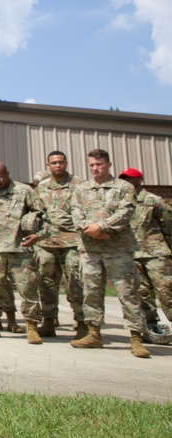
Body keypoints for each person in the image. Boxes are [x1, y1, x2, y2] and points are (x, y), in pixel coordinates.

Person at [68, 151, 150, 358]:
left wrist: (102, 227)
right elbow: (75, 212)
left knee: (128, 293)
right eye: (92, 165)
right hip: (90, 250)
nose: (96, 168)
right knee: (91, 293)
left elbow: (125, 213)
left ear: (109, 164)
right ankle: (94, 334)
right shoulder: (82, 188)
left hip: (118, 250)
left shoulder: (123, 188)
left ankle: (136, 338)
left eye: (99, 164)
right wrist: (89, 229)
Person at [0, 162, 47, 344]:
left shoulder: (25, 191)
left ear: (8, 173)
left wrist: (38, 236)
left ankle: (31, 326)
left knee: (27, 288)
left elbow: (43, 217)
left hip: (20, 249)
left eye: (0, 177)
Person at [35, 151, 85, 338]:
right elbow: (37, 212)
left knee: (75, 283)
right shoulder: (41, 187)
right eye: (54, 163)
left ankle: (81, 322)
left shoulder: (79, 185)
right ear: (48, 165)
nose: (58, 165)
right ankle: (48, 321)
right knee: (46, 284)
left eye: (61, 162)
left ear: (66, 163)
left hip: (72, 242)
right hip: (47, 243)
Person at [119, 168, 172, 328]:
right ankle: (151, 326)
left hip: (155, 253)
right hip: (132, 254)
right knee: (142, 293)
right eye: (124, 178)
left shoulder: (153, 200)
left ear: (139, 180)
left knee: (166, 289)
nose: (127, 181)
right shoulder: (121, 202)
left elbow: (168, 226)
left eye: (130, 178)